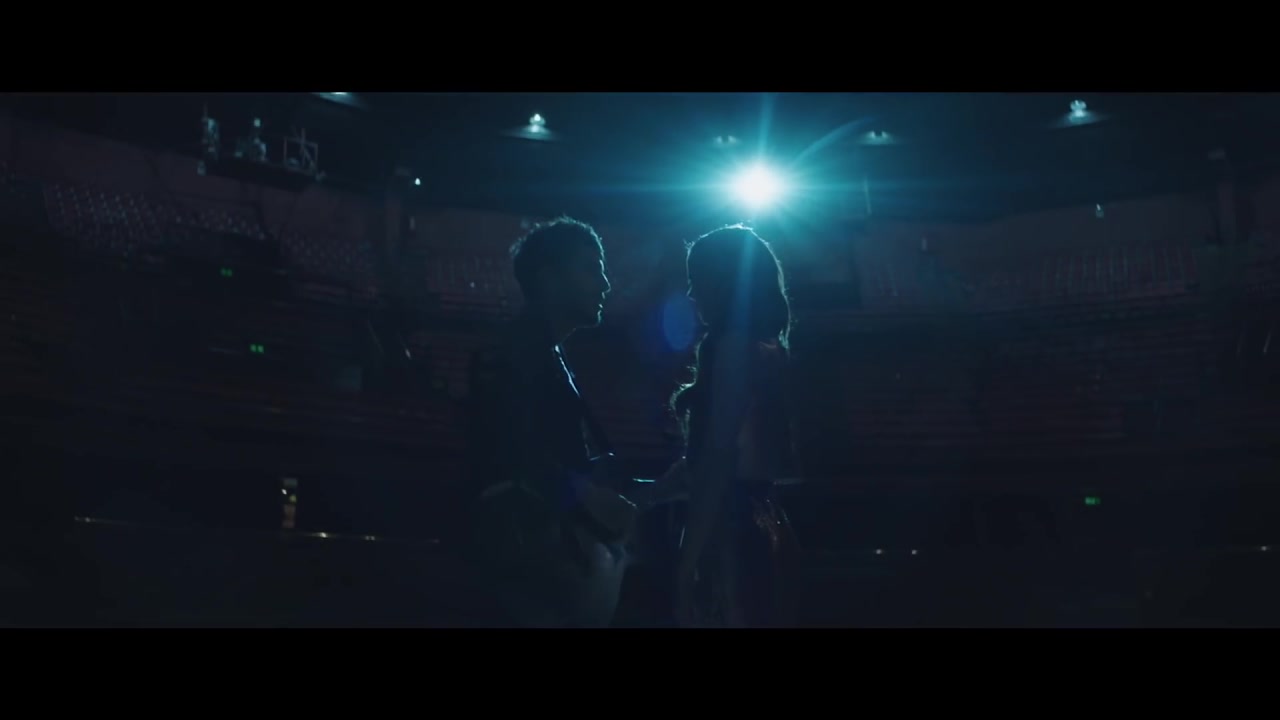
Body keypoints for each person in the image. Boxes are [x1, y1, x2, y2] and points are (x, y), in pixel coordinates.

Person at [465, 216, 632, 628]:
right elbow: (512, 449)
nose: (605, 284)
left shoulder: (537, 351)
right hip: (529, 547)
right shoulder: (516, 352)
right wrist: (586, 494)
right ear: (549, 278)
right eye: (591, 269)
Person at [665, 224, 801, 627]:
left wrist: (686, 561)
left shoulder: (731, 347)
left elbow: (720, 456)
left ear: (720, 282)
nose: (692, 293)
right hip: (767, 517)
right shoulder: (772, 348)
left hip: (733, 527)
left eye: (697, 279)